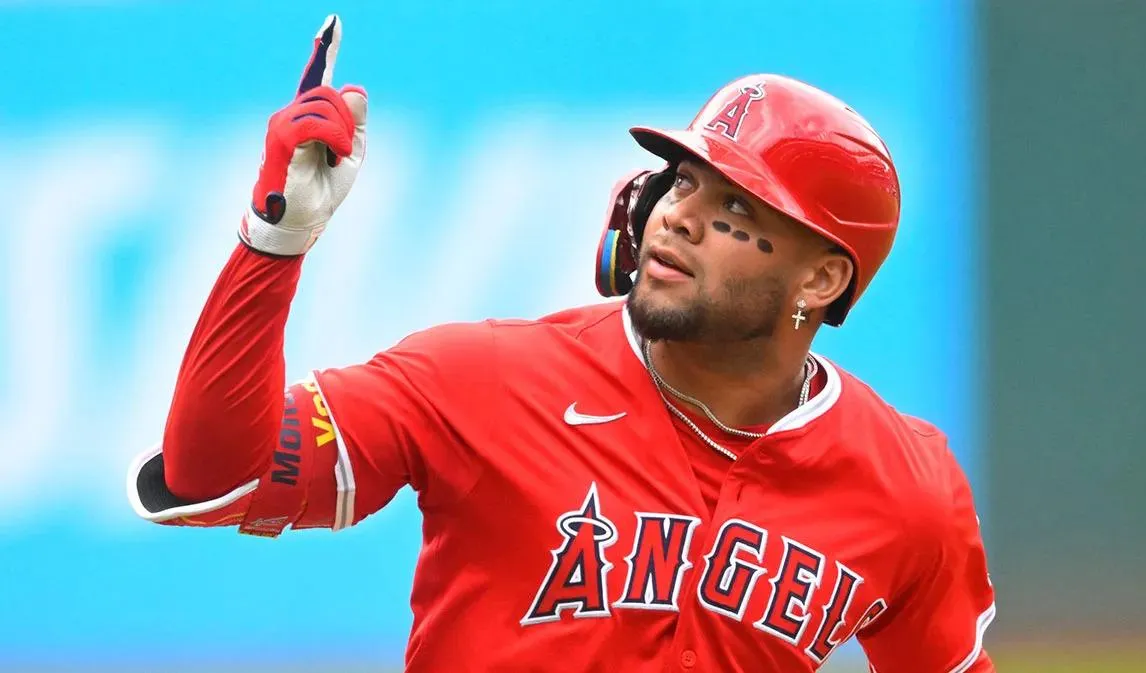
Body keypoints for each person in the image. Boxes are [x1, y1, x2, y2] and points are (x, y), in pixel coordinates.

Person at [126, 14, 996, 672]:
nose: (679, 218)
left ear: (822, 279)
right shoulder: (479, 381)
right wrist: (274, 242)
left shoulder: (906, 487)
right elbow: (217, 475)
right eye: (683, 183)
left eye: (736, 208)